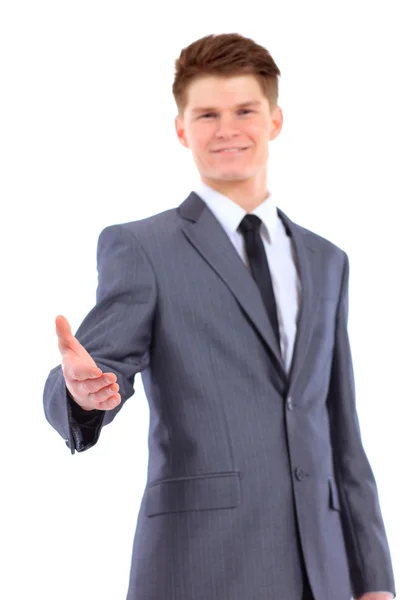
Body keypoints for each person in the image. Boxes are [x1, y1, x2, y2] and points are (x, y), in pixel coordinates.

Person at [43, 33, 396, 600]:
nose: (227, 129)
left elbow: (343, 431)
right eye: (207, 114)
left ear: (275, 120)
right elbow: (100, 362)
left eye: (244, 111)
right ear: (181, 128)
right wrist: (82, 393)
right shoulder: (143, 247)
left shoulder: (328, 260)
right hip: (202, 565)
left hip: (325, 573)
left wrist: (373, 578)